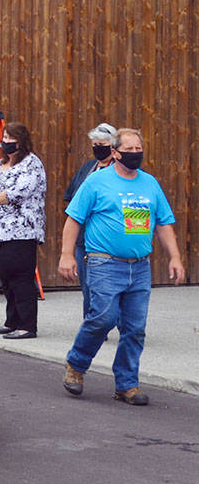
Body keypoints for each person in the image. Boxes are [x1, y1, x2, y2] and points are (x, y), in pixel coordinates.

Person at [58, 128, 184, 405]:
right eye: (129, 150)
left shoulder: (149, 183)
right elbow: (73, 219)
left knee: (135, 328)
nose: (136, 154)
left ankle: (127, 384)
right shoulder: (96, 182)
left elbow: (163, 223)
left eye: (139, 149)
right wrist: (67, 255)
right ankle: (76, 365)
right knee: (102, 318)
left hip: (139, 267)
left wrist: (175, 257)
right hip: (104, 263)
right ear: (115, 153)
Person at [0, 122, 46, 339]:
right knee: (3, 274)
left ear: (22, 142)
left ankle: (27, 325)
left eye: (11, 139)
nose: (6, 142)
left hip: (21, 231)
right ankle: (11, 321)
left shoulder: (31, 163)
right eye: (4, 138)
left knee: (20, 277)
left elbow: (19, 192)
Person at [62, 122, 118, 318]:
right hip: (83, 238)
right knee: (88, 287)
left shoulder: (120, 170)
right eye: (94, 145)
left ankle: (112, 321)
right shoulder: (88, 167)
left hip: (108, 239)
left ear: (113, 146)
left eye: (102, 145)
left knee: (107, 286)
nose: (97, 148)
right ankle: (91, 324)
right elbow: (71, 197)